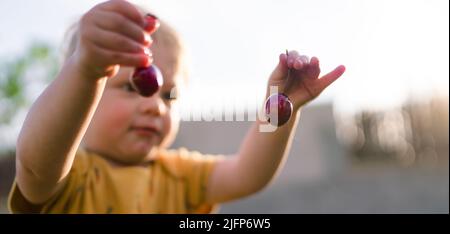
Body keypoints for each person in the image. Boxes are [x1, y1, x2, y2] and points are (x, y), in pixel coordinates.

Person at [8, 0, 345, 214]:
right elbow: (37, 167)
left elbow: (248, 174)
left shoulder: (181, 175)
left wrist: (279, 106)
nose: (156, 107)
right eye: (131, 86)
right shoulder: (70, 176)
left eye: (170, 96)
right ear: (84, 100)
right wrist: (85, 70)